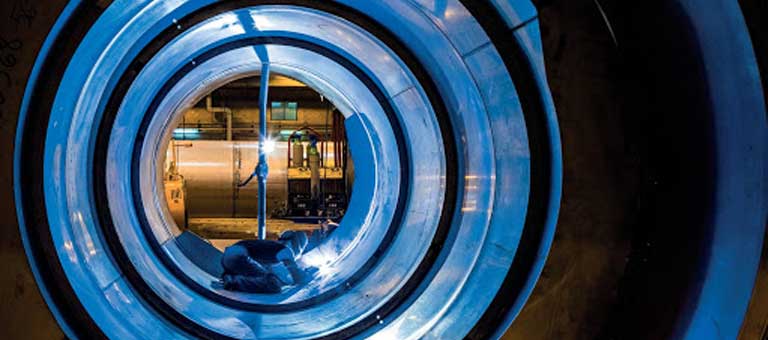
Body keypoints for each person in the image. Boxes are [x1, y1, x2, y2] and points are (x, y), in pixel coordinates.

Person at [219, 231, 309, 293]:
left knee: (263, 277)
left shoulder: (271, 247)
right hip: (239, 256)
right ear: (298, 246)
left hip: (227, 257)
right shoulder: (286, 250)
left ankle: (230, 277)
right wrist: (307, 278)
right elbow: (295, 273)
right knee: (273, 285)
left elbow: (264, 272)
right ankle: (234, 282)